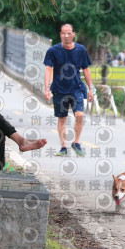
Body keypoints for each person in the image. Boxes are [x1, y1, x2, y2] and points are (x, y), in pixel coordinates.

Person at [44, 23, 94, 157]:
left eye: (69, 33)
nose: (66, 36)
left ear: (73, 34)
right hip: (59, 89)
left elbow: (86, 69)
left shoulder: (81, 50)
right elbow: (48, 69)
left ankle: (76, 142)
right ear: (60, 34)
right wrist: (47, 88)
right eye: (63, 33)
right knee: (62, 119)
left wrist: (90, 89)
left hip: (76, 88)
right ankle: (63, 146)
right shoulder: (53, 51)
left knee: (80, 115)